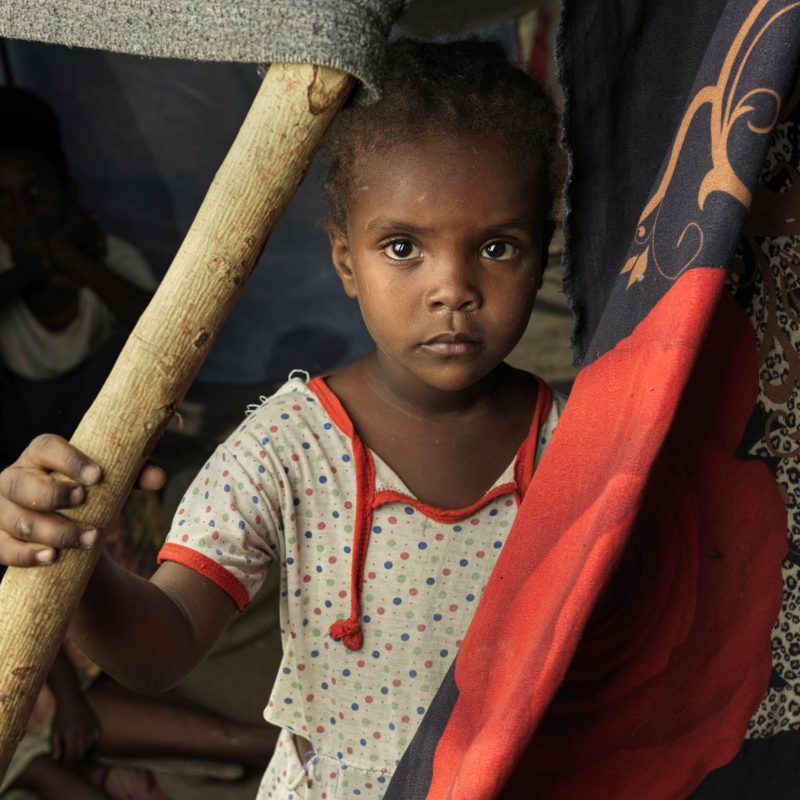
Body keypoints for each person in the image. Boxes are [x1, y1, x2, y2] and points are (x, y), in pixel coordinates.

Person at [0, 39, 564, 798]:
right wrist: (77, 566)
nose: (452, 289)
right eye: (403, 247)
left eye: (498, 247)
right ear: (344, 261)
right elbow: (160, 648)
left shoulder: (577, 441)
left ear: (543, 254)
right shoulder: (287, 447)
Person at [0, 87, 156, 465]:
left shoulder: (109, 256)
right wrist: (35, 268)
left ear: (67, 192)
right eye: (3, 199)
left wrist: (78, 264)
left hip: (97, 455)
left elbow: (167, 337)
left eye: (36, 191)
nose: (25, 212)